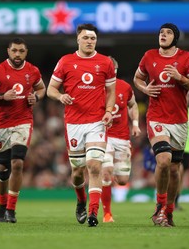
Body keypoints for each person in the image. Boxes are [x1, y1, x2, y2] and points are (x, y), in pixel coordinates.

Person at [133, 23, 189, 227]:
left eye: (168, 33)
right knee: (163, 161)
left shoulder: (186, 57)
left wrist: (180, 78)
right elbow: (137, 78)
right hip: (156, 117)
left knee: (174, 170)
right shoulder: (149, 56)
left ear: (176, 37)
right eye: (161, 33)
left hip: (179, 120)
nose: (163, 35)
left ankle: (169, 211)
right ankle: (159, 208)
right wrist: (145, 89)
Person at [47, 23, 116, 227]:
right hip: (74, 123)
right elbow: (51, 89)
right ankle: (81, 200)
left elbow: (111, 91)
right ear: (78, 39)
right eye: (86, 38)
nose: (89, 41)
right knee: (77, 172)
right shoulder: (66, 61)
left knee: (94, 166)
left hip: (97, 122)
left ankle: (94, 213)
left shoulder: (105, 62)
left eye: (93, 38)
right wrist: (61, 96)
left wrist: (109, 112)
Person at [0, 38, 46, 223]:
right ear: (8, 51)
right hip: (1, 123)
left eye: (21, 51)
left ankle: (11, 208)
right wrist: (2, 96)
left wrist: (36, 97)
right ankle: (2, 205)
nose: (17, 54)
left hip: (23, 121)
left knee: (17, 163)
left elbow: (41, 89)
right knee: (3, 168)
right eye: (14, 51)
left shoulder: (32, 71)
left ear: (26, 52)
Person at [101, 56, 141, 223]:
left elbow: (133, 105)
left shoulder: (125, 87)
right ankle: (107, 214)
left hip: (123, 138)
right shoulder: (96, 88)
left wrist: (136, 124)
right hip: (104, 136)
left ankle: (104, 184)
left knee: (123, 180)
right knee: (107, 172)